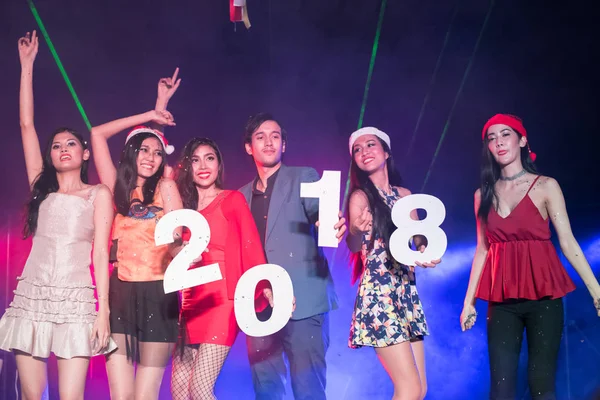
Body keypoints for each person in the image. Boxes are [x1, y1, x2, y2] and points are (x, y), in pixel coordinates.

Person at [0, 31, 115, 399]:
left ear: (84, 154)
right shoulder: (42, 189)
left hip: (76, 300)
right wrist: (27, 66)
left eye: (71, 144)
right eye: (56, 145)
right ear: (50, 157)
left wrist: (103, 313)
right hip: (32, 296)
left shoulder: (98, 194)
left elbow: (100, 255)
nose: (63, 148)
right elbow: (26, 125)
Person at [460, 114, 600, 400]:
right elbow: (482, 250)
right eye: (491, 138)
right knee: (500, 388)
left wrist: (597, 291)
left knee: (541, 384)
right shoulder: (482, 195)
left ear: (522, 140)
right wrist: (469, 302)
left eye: (506, 135)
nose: (498, 142)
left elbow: (568, 241)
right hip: (502, 301)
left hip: (544, 299)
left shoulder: (546, 186)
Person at [239, 113, 346, 400]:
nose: (269, 142)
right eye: (260, 137)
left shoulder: (304, 176)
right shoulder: (240, 197)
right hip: (259, 305)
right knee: (266, 388)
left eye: (275, 136)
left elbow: (319, 210)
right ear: (249, 147)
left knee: (308, 389)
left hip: (304, 302)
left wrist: (330, 221)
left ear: (284, 144)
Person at [90, 71, 184, 400]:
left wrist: (184, 249)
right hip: (119, 293)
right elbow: (97, 134)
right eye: (144, 151)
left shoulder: (167, 187)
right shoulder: (115, 185)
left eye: (158, 153)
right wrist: (151, 113)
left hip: (159, 293)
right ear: (132, 152)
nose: (151, 158)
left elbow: (178, 242)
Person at [170, 137, 274, 399]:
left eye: (210, 158)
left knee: (201, 390)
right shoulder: (182, 207)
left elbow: (251, 244)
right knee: (180, 391)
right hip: (191, 302)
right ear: (187, 166)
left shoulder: (232, 199)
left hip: (223, 300)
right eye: (195, 159)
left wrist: (265, 285)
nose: (203, 165)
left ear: (219, 165)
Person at [345, 127, 440, 400]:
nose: (364, 152)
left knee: (420, 390)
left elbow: (419, 237)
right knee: (408, 388)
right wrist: (356, 229)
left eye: (371, 145)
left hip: (406, 293)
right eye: (357, 149)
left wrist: (425, 249)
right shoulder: (360, 197)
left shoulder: (406, 194)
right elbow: (353, 241)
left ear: (386, 152)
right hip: (380, 296)